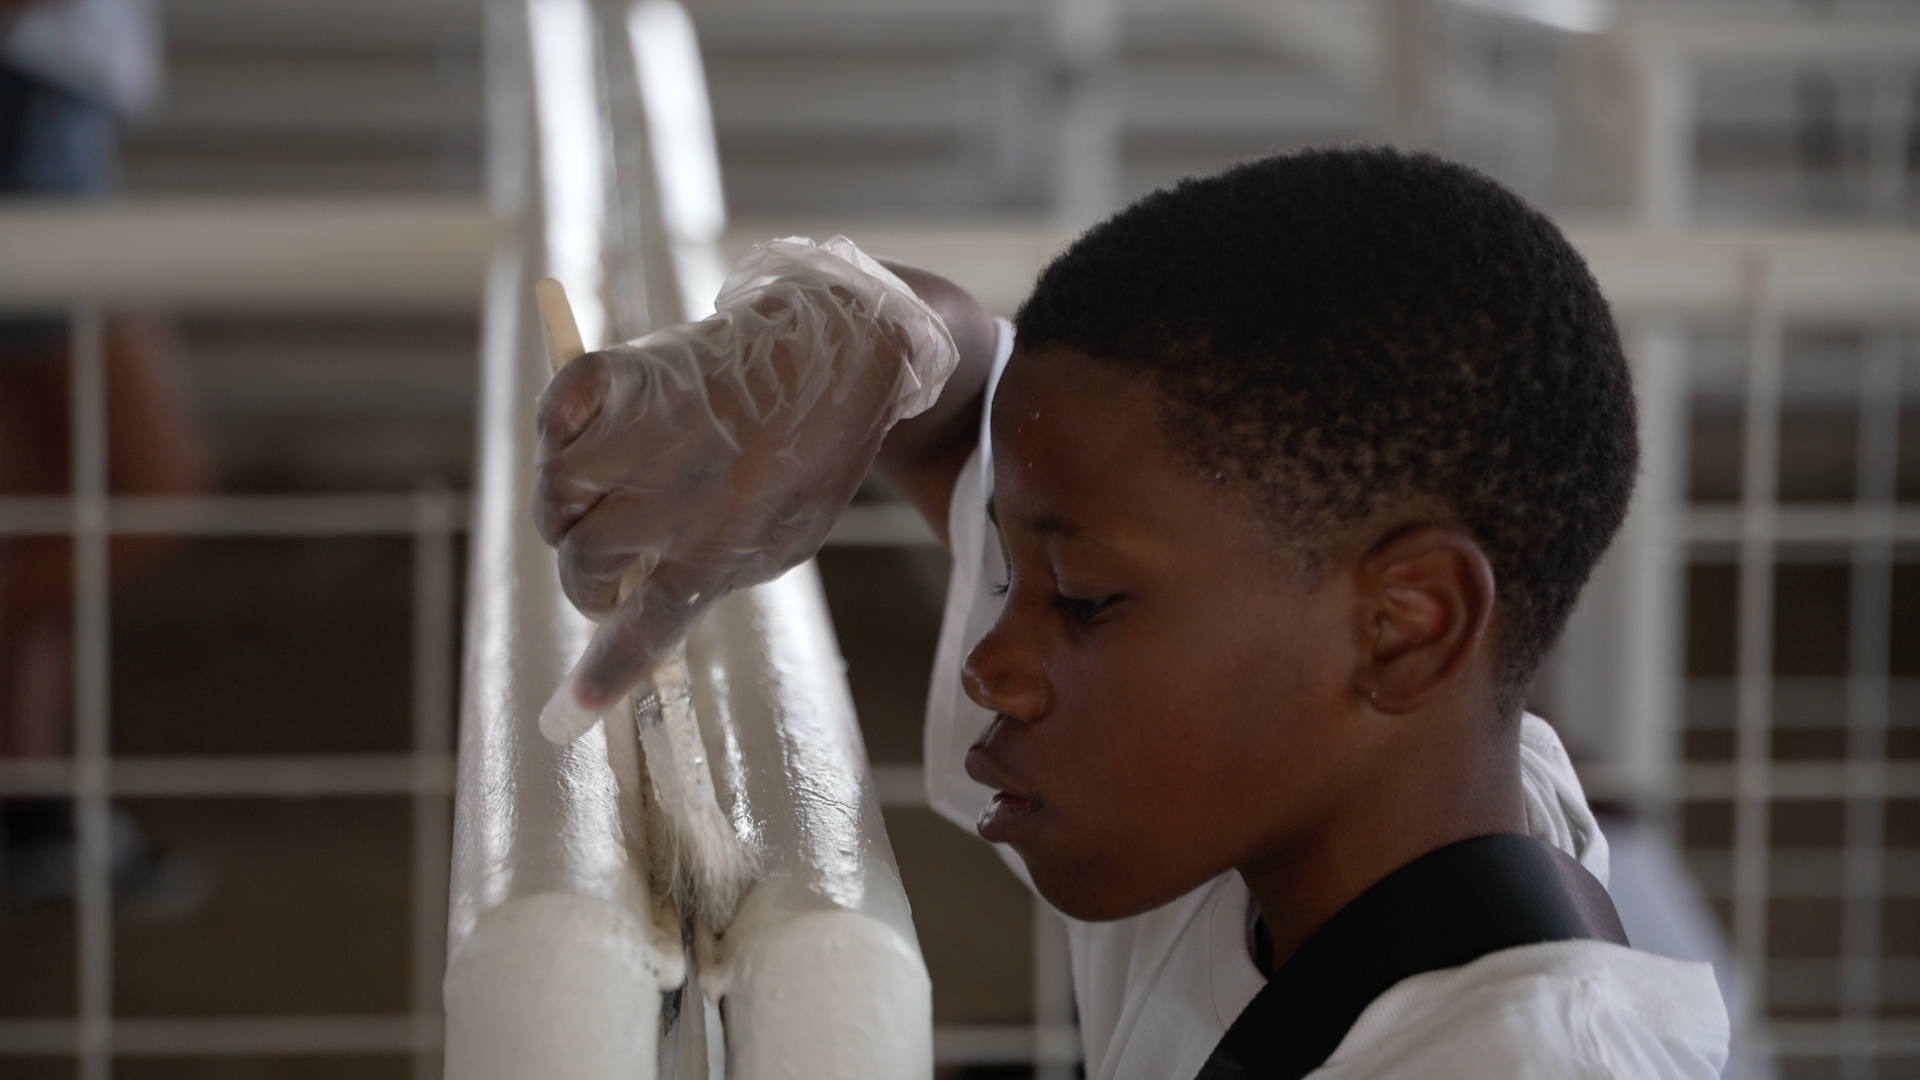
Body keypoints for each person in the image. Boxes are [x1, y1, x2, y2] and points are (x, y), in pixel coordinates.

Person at [533, 147, 1730, 1078]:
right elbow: (953, 410)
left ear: (1407, 625)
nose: (991, 665)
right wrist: (846, 341)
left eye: (1088, 601)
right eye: (1013, 575)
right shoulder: (1271, 839)